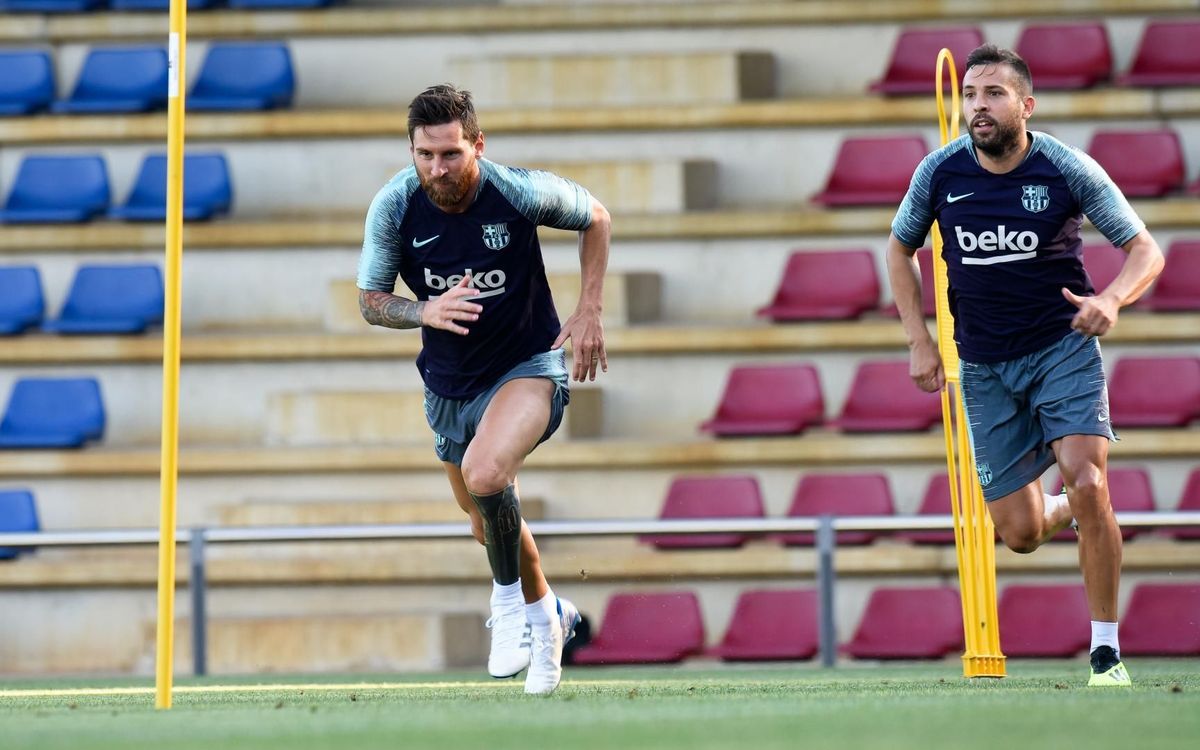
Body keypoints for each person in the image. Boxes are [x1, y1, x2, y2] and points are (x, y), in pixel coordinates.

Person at [886, 44, 1163, 687]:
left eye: (994, 95)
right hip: (983, 367)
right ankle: (1059, 507)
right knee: (1020, 533)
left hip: (1061, 350)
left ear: (1025, 105)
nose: (978, 107)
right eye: (972, 95)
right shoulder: (939, 172)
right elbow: (899, 251)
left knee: (1090, 481)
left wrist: (1111, 300)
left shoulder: (1066, 168)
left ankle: (1105, 652)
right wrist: (918, 341)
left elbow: (1145, 249)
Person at [356, 83, 611, 695]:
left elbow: (596, 217)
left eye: (450, 154)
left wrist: (590, 309)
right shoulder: (394, 206)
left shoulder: (516, 190)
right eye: (425, 155)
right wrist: (425, 312)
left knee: (488, 473)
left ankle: (506, 609)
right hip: (449, 386)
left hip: (527, 364)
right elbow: (369, 299)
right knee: (485, 518)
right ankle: (549, 615)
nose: (437, 169)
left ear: (477, 145)